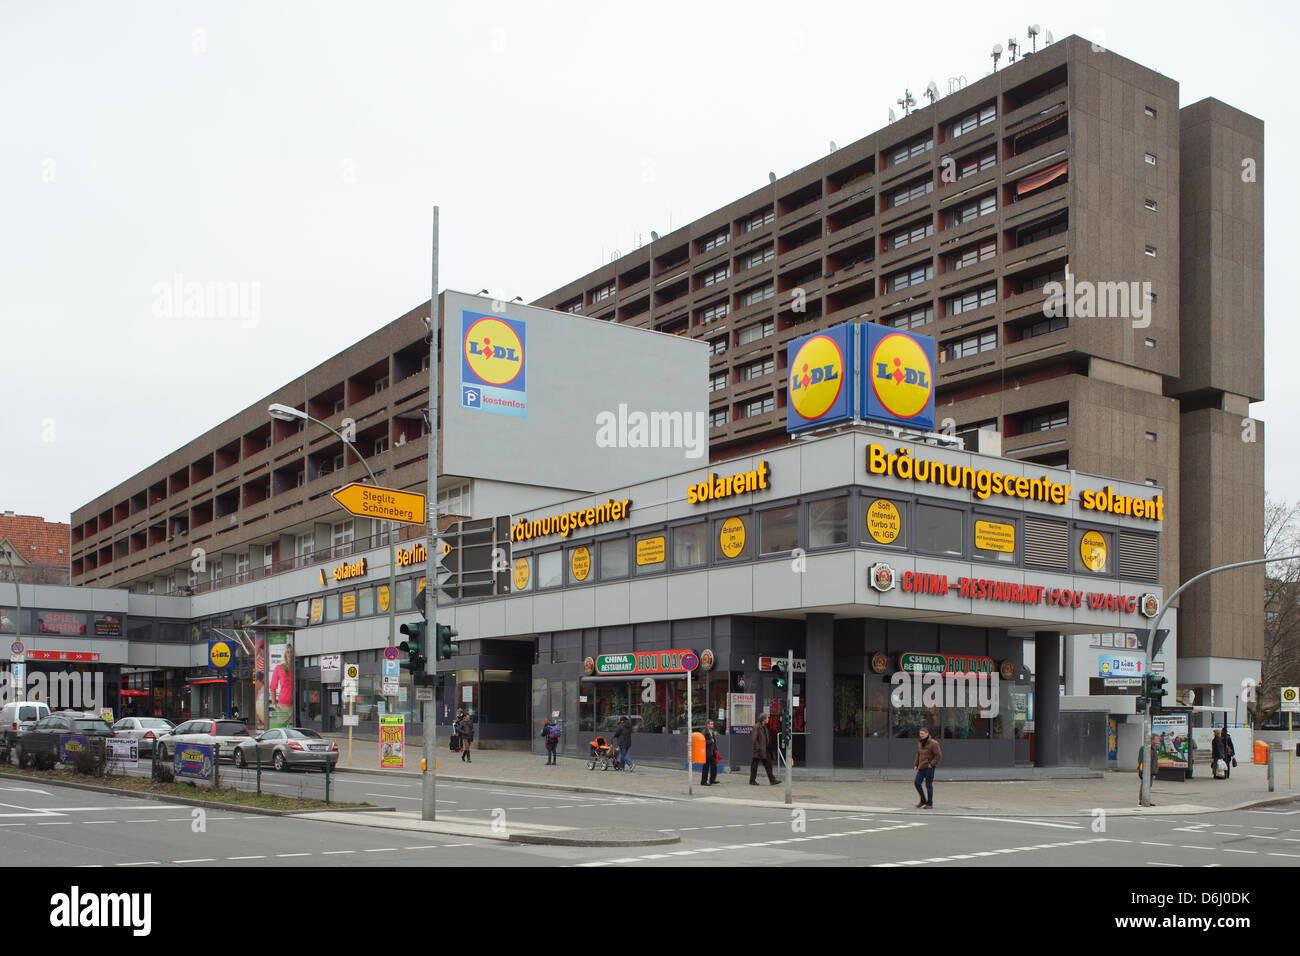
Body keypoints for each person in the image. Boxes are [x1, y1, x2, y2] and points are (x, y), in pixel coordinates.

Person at [914, 727, 941, 808]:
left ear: (927, 734)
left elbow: (938, 755)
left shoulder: (934, 743)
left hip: (929, 768)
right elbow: (918, 754)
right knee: (917, 783)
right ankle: (923, 800)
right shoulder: (920, 742)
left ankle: (929, 804)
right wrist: (916, 764)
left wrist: (931, 764)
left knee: (928, 785)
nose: (921, 735)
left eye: (922, 734)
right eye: (920, 733)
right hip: (921, 767)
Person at [749, 716, 778, 786]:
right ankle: (752, 781)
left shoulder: (763, 726)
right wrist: (758, 747)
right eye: (767, 718)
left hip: (764, 749)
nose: (768, 719)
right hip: (759, 750)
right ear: (764, 719)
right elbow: (754, 739)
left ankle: (772, 780)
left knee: (768, 765)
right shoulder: (757, 727)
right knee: (754, 766)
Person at [1138, 733, 1159, 803]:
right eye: (1156, 739)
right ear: (1152, 740)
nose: (1158, 740)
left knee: (1149, 786)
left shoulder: (1154, 748)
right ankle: (1141, 800)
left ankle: (1146, 800)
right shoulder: (1144, 748)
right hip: (1146, 771)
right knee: (1144, 785)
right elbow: (1141, 761)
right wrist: (1141, 771)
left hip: (1151, 771)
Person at [700, 719, 720, 786]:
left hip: (712, 752)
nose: (712, 725)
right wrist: (711, 741)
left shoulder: (712, 731)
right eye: (711, 724)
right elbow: (702, 742)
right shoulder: (704, 732)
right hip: (706, 753)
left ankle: (712, 780)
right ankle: (703, 781)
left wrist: (716, 750)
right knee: (706, 768)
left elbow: (714, 742)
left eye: (713, 724)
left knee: (714, 767)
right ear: (707, 725)